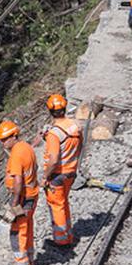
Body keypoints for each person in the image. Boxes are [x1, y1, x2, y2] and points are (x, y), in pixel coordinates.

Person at [40, 94, 82, 247]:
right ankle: (68, 234)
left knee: (56, 206)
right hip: (71, 172)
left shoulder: (54, 134)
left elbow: (53, 160)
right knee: (63, 203)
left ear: (50, 111)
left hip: (57, 175)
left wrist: (45, 177)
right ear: (64, 108)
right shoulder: (74, 126)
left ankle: (62, 240)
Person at [0, 120, 39, 265]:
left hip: (22, 198)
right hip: (31, 195)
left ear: (14, 136)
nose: (3, 143)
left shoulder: (16, 154)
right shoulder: (27, 147)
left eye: (5, 139)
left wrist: (14, 206)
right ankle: (29, 259)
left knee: (17, 232)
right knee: (27, 228)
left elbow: (18, 182)